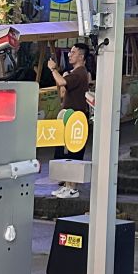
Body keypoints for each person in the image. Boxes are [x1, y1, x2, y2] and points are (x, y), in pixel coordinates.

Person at [48, 42, 91, 199]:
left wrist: (53, 69)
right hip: (70, 117)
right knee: (66, 151)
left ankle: (72, 187)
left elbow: (62, 82)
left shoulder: (80, 73)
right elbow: (63, 88)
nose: (69, 54)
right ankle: (67, 185)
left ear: (81, 56)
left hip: (76, 118)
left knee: (73, 152)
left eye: (73, 52)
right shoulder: (76, 73)